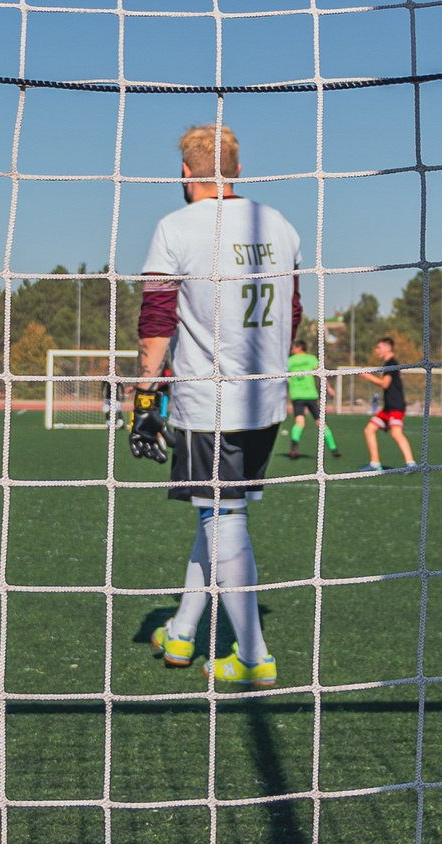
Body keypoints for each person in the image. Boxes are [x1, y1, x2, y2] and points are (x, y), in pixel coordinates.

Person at [130, 121, 300, 688]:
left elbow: (156, 322)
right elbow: (293, 313)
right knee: (219, 515)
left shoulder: (175, 228)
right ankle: (182, 632)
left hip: (212, 402)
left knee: (222, 520)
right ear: (237, 170)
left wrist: (144, 396)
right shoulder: (279, 225)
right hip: (267, 400)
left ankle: (253, 656)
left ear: (185, 172)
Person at [359, 336, 418, 473]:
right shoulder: (388, 364)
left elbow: (385, 384)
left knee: (396, 433)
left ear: (387, 348)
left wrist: (368, 376)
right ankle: (374, 464)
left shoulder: (392, 363)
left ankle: (411, 463)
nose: (376, 350)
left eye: (378, 347)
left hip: (396, 406)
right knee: (369, 429)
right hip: (388, 408)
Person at [284, 334, 336, 459]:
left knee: (299, 422)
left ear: (298, 348)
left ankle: (294, 446)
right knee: (320, 422)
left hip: (297, 395)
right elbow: (321, 374)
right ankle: (334, 449)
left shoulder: (289, 361)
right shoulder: (311, 358)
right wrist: (328, 387)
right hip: (310, 394)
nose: (292, 350)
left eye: (293, 348)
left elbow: (285, 379)